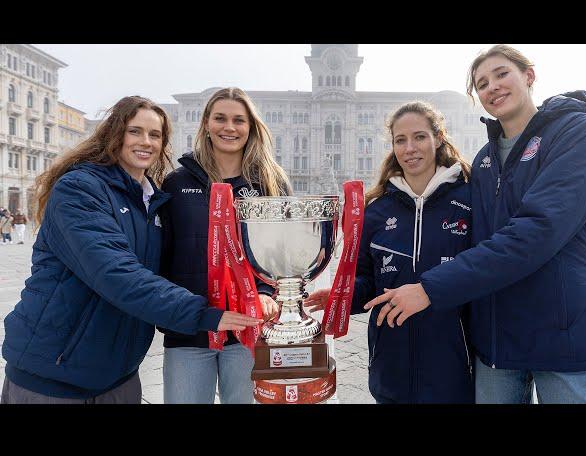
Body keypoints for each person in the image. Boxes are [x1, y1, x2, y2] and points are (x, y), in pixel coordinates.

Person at [364, 45, 586, 404]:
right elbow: (475, 239)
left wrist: (430, 288)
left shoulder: (577, 133)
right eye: (481, 83)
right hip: (497, 338)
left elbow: (538, 230)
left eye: (502, 74)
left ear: (528, 76)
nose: (493, 87)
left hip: (564, 331)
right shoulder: (485, 160)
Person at [1, 96, 261, 404]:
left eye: (155, 135)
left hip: (118, 376)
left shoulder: (151, 202)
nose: (145, 142)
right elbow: (117, 274)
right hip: (55, 374)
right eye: (135, 131)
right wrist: (202, 313)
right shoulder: (80, 188)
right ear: (115, 133)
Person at [305, 101, 475, 403]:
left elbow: (484, 271)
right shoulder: (377, 210)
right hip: (391, 371)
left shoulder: (471, 199)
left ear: (438, 138)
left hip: (455, 370)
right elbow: (368, 281)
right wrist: (342, 296)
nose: (410, 148)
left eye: (420, 137)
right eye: (401, 140)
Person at [159, 87, 290, 404]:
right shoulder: (176, 183)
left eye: (238, 120)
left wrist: (267, 293)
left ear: (250, 127)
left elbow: (283, 254)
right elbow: (164, 255)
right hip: (189, 330)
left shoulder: (271, 183)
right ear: (205, 124)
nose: (229, 127)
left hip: (249, 327)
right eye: (220, 118)